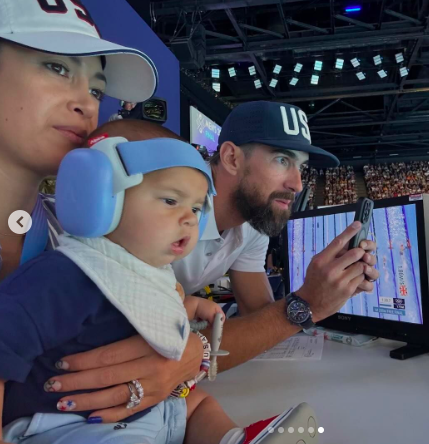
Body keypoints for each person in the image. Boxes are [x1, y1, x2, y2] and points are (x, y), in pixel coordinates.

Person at [0, 5, 378, 423]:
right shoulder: (107, 234)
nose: (86, 104)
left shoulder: (62, 230)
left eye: (96, 89)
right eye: (56, 67)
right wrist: (303, 306)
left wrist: (190, 352)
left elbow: (200, 331)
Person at [1, 122, 315, 444]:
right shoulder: (62, 275)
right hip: (73, 425)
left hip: (149, 409)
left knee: (198, 405)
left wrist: (182, 307)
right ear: (102, 197)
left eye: (196, 208)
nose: (190, 218)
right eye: (169, 201)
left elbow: (133, 306)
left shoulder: (151, 271)